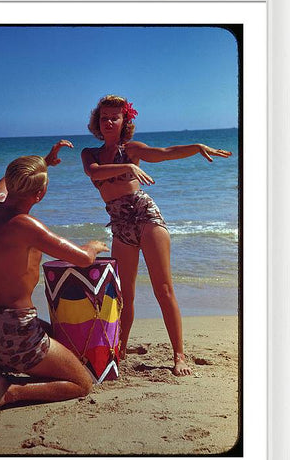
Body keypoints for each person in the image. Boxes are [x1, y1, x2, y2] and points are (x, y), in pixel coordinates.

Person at [81, 95, 232, 376]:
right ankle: (121, 347)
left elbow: (165, 152)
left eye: (116, 117)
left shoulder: (133, 149)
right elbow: (94, 173)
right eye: (104, 117)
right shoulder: (90, 153)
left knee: (163, 289)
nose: (109, 121)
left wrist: (196, 147)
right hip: (119, 223)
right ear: (97, 122)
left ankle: (179, 355)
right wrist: (128, 167)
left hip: (145, 216)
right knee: (123, 295)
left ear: (125, 121)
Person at [0, 140, 108, 415]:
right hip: (16, 333)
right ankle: (11, 391)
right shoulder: (27, 226)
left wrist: (44, 161)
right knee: (82, 383)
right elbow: (83, 259)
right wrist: (93, 246)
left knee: (56, 334)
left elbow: (5, 182)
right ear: (40, 194)